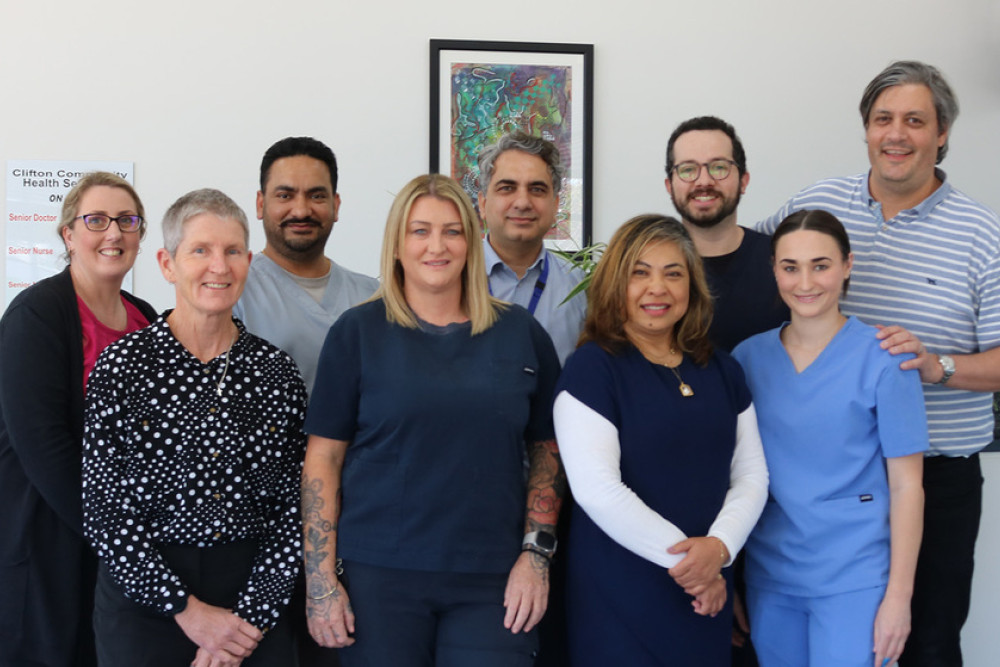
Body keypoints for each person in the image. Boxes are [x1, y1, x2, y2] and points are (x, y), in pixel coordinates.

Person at [757, 61, 1000, 666]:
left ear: (942, 133)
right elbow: (744, 260)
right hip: (832, 477)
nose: (897, 134)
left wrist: (937, 364)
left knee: (927, 643)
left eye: (915, 121)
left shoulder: (983, 232)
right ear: (865, 129)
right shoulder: (818, 203)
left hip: (935, 475)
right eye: (883, 119)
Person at [301, 173, 564, 666]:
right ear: (397, 245)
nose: (436, 246)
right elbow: (323, 458)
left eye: (452, 231)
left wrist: (536, 556)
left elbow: (546, 451)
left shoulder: (520, 334)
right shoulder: (357, 333)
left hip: (494, 579)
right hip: (378, 578)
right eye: (420, 231)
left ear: (472, 240)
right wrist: (320, 581)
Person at [82, 189, 306, 666]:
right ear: (167, 264)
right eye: (200, 250)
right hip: (145, 602)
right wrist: (188, 611)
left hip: (253, 599)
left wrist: (249, 621)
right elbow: (104, 508)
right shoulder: (121, 367)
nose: (219, 267)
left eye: (232, 252)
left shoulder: (277, 373)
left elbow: (297, 505)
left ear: (249, 261)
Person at [553, 214, 768, 666]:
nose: (658, 288)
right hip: (621, 594)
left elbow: (751, 475)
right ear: (616, 283)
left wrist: (719, 549)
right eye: (640, 272)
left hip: (705, 590)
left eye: (674, 273)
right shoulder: (592, 369)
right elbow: (598, 491)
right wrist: (695, 568)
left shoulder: (723, 370)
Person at [733, 210, 927, 667]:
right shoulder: (746, 359)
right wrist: (730, 579)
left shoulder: (886, 359)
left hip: (855, 579)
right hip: (771, 576)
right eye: (790, 266)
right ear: (774, 270)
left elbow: (907, 486)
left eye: (820, 265)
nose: (805, 282)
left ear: (847, 265)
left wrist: (899, 598)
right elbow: (734, 477)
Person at [0, 172, 156, 667]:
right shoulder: (37, 314)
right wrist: (115, 535)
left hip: (118, 546)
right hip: (48, 536)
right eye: (96, 220)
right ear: (69, 234)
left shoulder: (146, 317)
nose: (114, 233)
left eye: (127, 221)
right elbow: (44, 449)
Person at [234, 136, 379, 394]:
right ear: (260, 203)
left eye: (316, 196)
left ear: (335, 206)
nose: (301, 210)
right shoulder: (234, 295)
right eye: (285, 195)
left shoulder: (373, 295)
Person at [665, 116, 788, 352]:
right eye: (688, 169)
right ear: (669, 186)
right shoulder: (647, 273)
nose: (704, 181)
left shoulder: (784, 262)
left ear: (743, 181)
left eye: (719, 167)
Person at [478, 130, 587, 365]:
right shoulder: (450, 277)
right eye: (507, 188)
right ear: (483, 203)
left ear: (556, 203)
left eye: (537, 189)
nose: (523, 202)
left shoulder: (579, 289)